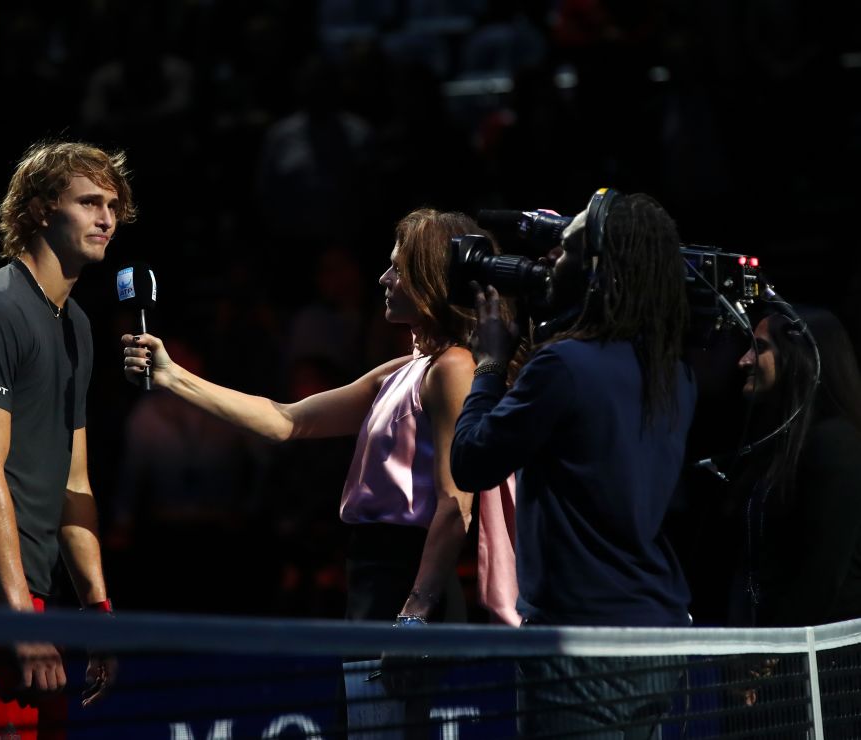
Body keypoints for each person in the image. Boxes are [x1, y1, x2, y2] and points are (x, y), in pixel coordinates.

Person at [122, 208, 520, 733]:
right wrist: (173, 377)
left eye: (396, 268)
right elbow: (284, 420)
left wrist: (412, 615)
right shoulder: (406, 370)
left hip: (406, 580)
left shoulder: (454, 369)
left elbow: (455, 504)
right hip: (373, 577)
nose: (383, 278)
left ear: (429, 279)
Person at [452, 190, 696, 738]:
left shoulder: (564, 367)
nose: (546, 265)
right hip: (661, 636)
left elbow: (471, 461)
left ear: (596, 272)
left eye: (563, 254)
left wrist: (490, 362)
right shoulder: (673, 373)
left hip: (584, 648)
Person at [0, 140, 136, 740]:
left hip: (30, 595)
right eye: (89, 202)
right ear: (40, 210)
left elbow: (75, 482)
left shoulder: (79, 328)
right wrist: (19, 623)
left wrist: (98, 612)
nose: (107, 218)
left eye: (113, 205)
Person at [731, 305, 861, 628]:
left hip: (823, 667)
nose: (744, 360)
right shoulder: (781, 447)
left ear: (799, 359)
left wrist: (769, 659)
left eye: (759, 348)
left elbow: (822, 574)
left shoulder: (836, 443)